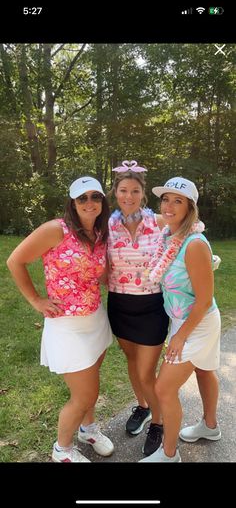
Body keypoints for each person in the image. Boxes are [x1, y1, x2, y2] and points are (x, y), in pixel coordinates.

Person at [7, 176, 114, 463]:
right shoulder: (56, 229)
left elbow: (100, 273)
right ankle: (62, 449)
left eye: (95, 196)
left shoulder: (101, 233)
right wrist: (35, 300)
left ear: (103, 202)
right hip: (67, 326)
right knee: (83, 395)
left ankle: (88, 429)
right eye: (83, 198)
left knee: (91, 386)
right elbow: (15, 261)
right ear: (73, 203)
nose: (90, 202)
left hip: (95, 319)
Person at [139, 176, 221, 463]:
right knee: (203, 370)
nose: (170, 206)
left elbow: (203, 300)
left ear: (191, 208)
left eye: (178, 200)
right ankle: (210, 427)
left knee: (163, 388)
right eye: (166, 199)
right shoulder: (168, 234)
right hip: (183, 320)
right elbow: (141, 219)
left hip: (197, 323)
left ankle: (169, 454)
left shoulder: (195, 244)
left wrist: (180, 335)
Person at [107, 160, 169, 457]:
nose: (128, 196)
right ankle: (143, 407)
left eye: (134, 190)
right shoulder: (109, 224)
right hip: (119, 306)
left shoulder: (158, 222)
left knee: (147, 373)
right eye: (123, 190)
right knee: (132, 362)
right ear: (115, 193)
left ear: (143, 193)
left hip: (151, 307)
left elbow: (194, 227)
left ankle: (159, 422)